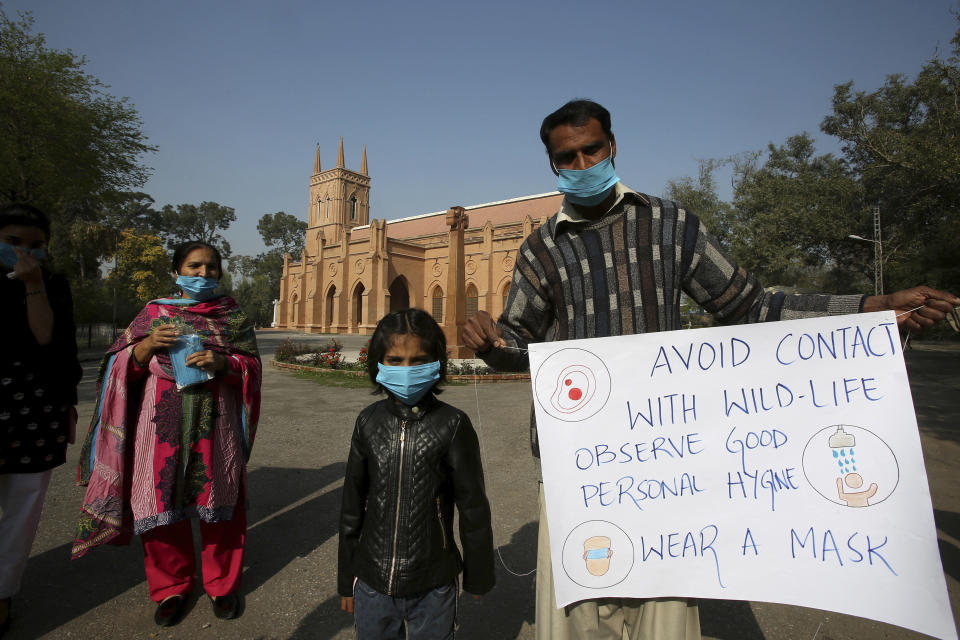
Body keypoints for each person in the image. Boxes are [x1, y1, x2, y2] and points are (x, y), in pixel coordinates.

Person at [462, 99, 960, 640]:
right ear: (553, 166)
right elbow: (521, 342)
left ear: (612, 147)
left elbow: (750, 306)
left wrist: (872, 306)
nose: (583, 166)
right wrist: (491, 342)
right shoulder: (542, 248)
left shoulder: (671, 226)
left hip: (665, 459)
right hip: (577, 464)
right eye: (568, 158)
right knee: (577, 616)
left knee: (665, 612)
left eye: (592, 150)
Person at [73, 241, 261, 628]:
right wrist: (144, 348)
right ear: (176, 270)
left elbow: (251, 365)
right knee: (158, 506)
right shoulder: (154, 313)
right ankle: (171, 587)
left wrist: (224, 362)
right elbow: (117, 365)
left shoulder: (232, 316)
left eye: (211, 267)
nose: (203, 274)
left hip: (216, 425)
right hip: (159, 426)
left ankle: (222, 584)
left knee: (221, 503)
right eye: (194, 266)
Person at [338, 308, 495, 640]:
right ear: (378, 363)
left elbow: (473, 508)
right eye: (395, 360)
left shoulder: (452, 425)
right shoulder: (368, 422)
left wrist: (478, 575)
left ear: (436, 363)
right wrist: (346, 579)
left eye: (419, 360)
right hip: (372, 581)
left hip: (433, 583)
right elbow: (352, 506)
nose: (407, 370)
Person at [0, 203, 82, 637]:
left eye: (36, 245)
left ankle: (2, 593)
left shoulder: (52, 285)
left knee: (22, 509)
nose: (25, 251)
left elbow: (52, 340)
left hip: (34, 410)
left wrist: (67, 402)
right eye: (13, 241)